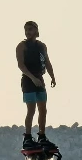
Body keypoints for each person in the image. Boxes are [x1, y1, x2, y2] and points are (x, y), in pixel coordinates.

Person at [15, 20, 57, 150]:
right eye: (26, 30)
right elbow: (21, 65)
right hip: (28, 80)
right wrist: (32, 78)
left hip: (39, 79)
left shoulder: (41, 46)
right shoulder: (21, 46)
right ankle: (27, 137)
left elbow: (47, 62)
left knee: (43, 109)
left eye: (30, 29)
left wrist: (52, 76)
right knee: (31, 110)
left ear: (36, 31)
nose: (28, 32)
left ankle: (42, 136)